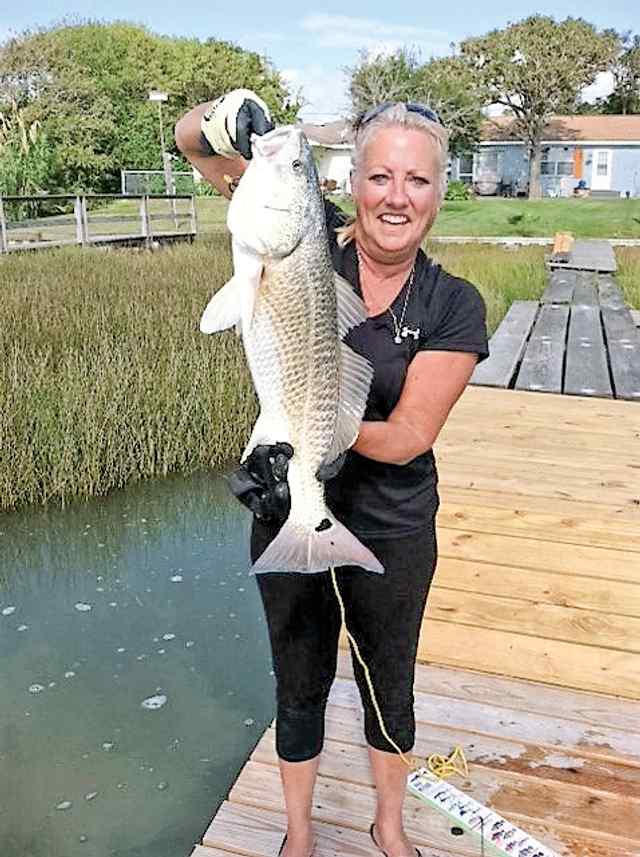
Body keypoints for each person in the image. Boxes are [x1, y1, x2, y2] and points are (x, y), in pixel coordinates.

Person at [175, 92, 489, 857]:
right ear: (353, 184)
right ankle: (300, 832)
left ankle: (389, 822)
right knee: (299, 676)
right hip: (287, 504)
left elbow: (413, 432)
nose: (397, 197)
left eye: (418, 181)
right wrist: (230, 114)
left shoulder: (454, 303)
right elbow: (193, 142)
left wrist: (318, 431)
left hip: (393, 517)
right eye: (381, 176)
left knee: (389, 676)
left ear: (439, 193)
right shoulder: (295, 230)